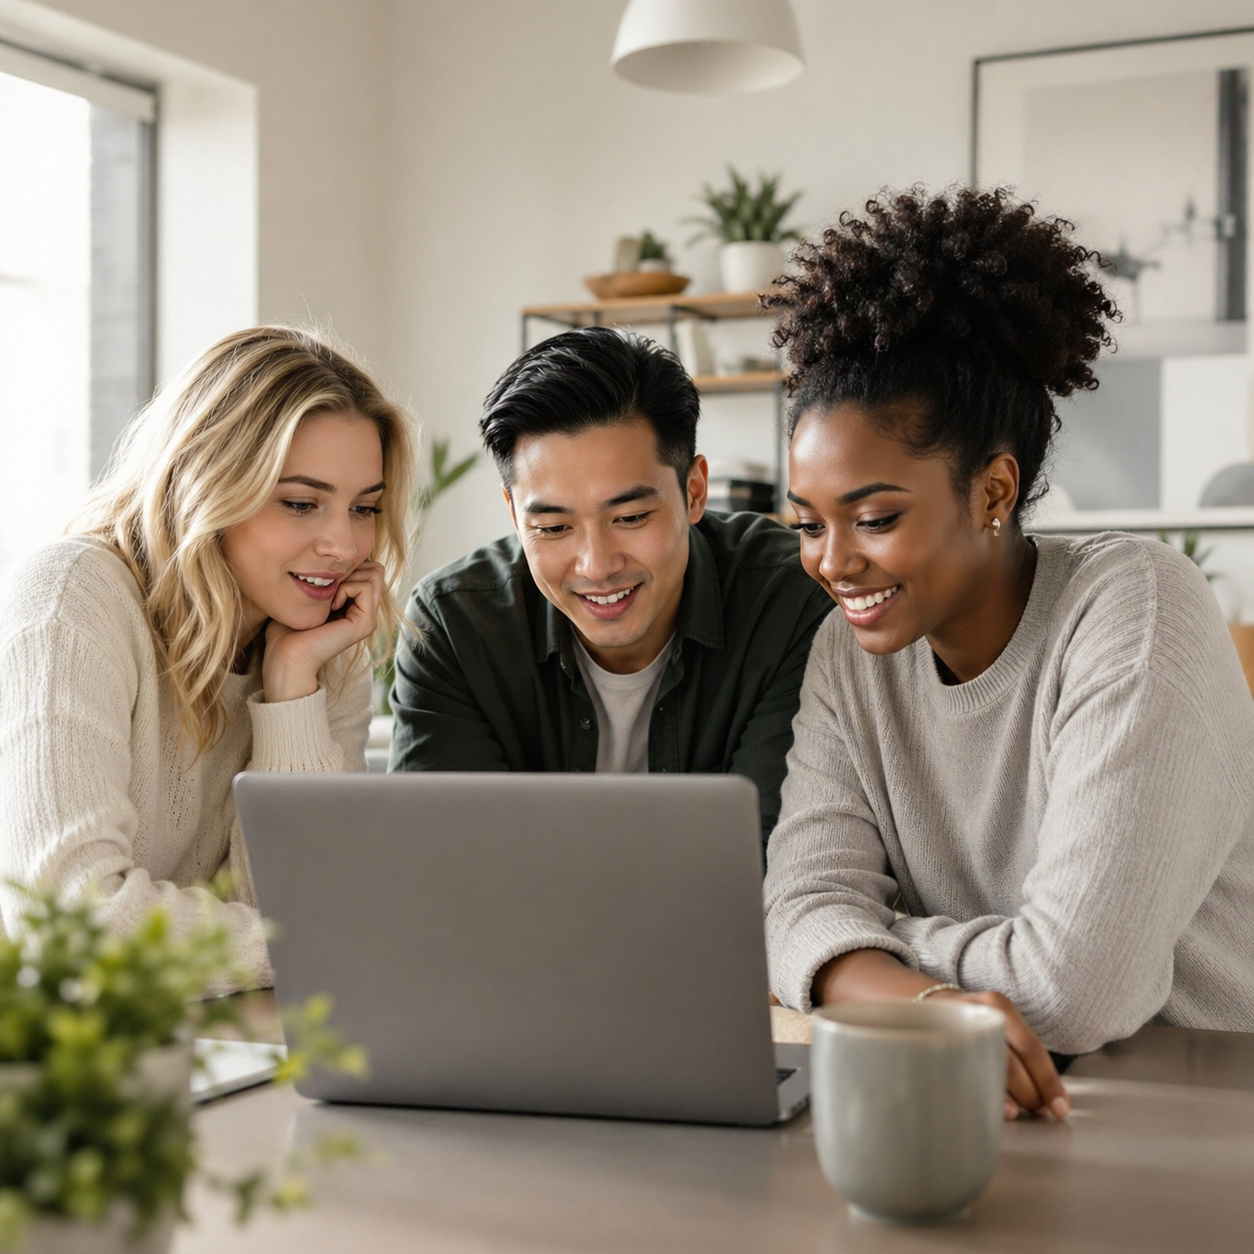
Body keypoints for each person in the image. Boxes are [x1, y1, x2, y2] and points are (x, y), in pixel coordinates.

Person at [761, 186, 1254, 1120]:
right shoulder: (848, 652)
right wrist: (939, 1007)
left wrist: (876, 950)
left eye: (874, 518)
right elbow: (795, 913)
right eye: (808, 523)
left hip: (1195, 1105)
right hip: (973, 1096)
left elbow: (1076, 992)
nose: (832, 561)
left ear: (992, 492)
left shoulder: (1135, 609)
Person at [0, 326, 415, 989]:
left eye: (364, 508)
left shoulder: (324, 655)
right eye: (302, 504)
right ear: (206, 483)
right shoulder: (71, 597)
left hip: (199, 1038)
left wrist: (290, 691)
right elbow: (70, 928)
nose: (344, 545)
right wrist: (308, 943)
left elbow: (303, 910)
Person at [389, 326, 833, 848]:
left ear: (694, 491)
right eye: (553, 528)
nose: (597, 566)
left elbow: (773, 862)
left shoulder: (791, 598)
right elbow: (445, 864)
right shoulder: (453, 627)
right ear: (513, 514)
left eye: (630, 516)